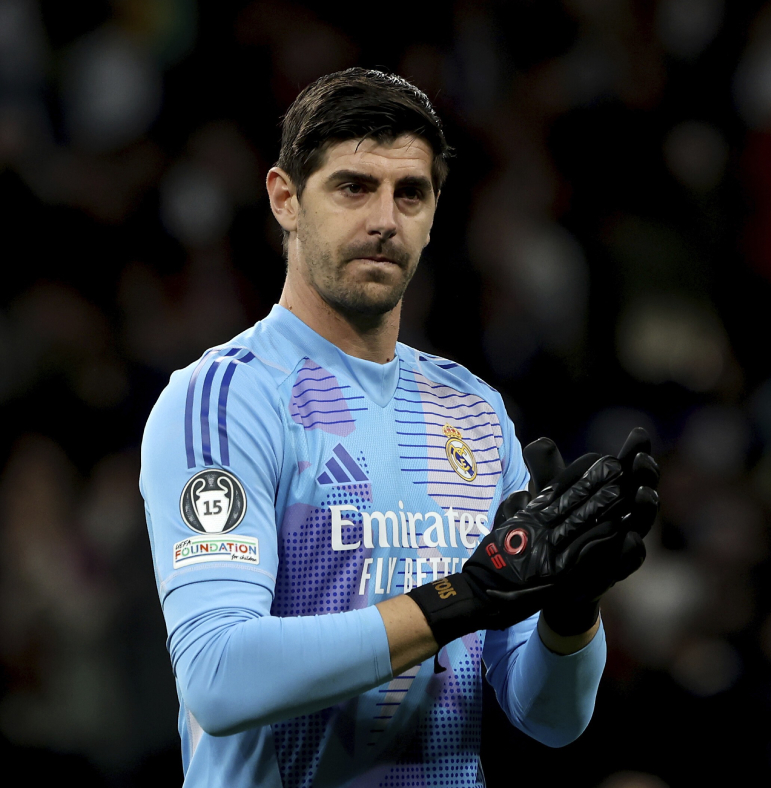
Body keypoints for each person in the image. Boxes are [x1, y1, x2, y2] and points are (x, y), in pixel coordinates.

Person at [139, 68, 658, 787]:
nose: (384, 219)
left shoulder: (473, 411)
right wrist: (458, 600)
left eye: (409, 193)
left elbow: (549, 720)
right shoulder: (226, 399)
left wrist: (571, 614)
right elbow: (219, 676)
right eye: (354, 187)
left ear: (433, 213)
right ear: (285, 199)